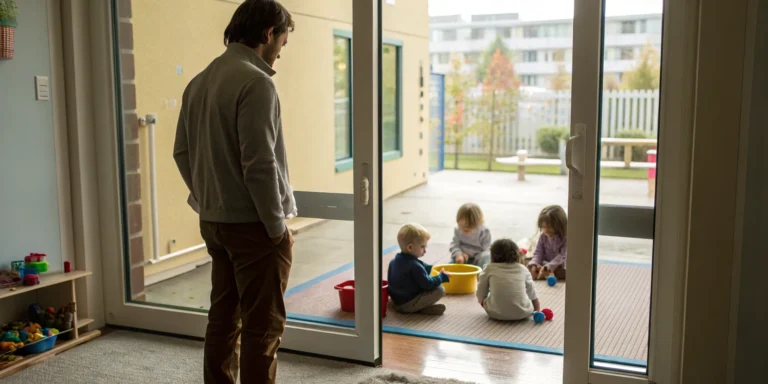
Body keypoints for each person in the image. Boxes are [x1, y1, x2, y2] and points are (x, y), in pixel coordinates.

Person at [172, 1, 296, 383]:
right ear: (268, 33)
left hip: (215, 222)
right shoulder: (257, 82)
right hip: (254, 226)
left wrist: (208, 198)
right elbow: (259, 165)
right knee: (263, 328)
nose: (280, 52)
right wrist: (276, 228)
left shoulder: (200, 80)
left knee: (223, 317)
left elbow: (181, 152)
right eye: (283, 42)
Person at [388, 224, 450, 315]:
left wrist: (430, 267)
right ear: (410, 247)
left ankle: (417, 308)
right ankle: (417, 309)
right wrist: (441, 277)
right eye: (422, 247)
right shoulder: (415, 266)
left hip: (396, 302)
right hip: (407, 304)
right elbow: (428, 284)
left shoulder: (393, 261)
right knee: (440, 290)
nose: (425, 251)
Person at [477, 239, 541, 321]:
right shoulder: (522, 268)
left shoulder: (489, 268)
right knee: (526, 299)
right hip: (523, 312)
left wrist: (482, 301)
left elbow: (481, 287)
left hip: (495, 313)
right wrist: (536, 306)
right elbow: (531, 289)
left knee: (490, 299)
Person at [528, 205, 568, 280]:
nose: (545, 230)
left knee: (566, 271)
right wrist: (534, 264)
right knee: (530, 264)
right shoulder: (543, 236)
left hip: (560, 266)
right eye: (543, 227)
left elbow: (562, 256)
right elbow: (538, 253)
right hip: (545, 263)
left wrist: (548, 267)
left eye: (549, 227)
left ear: (559, 225)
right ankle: (543, 271)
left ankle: (547, 273)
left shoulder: (565, 238)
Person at [449, 203, 492, 269]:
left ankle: (480, 276)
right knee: (450, 266)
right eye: (462, 227)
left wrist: (476, 259)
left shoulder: (484, 232)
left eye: (468, 228)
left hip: (478, 259)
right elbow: (454, 244)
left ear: (478, 224)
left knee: (486, 256)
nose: (464, 230)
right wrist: (458, 254)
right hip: (462, 258)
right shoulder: (457, 230)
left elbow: (486, 249)